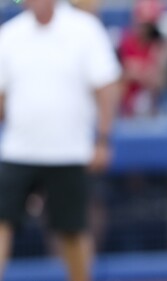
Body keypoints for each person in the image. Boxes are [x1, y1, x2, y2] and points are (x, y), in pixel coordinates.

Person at [0, 0, 121, 280]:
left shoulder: (85, 29)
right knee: (2, 222)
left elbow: (106, 87)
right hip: (18, 150)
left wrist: (102, 139)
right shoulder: (10, 34)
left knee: (72, 231)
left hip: (70, 151)